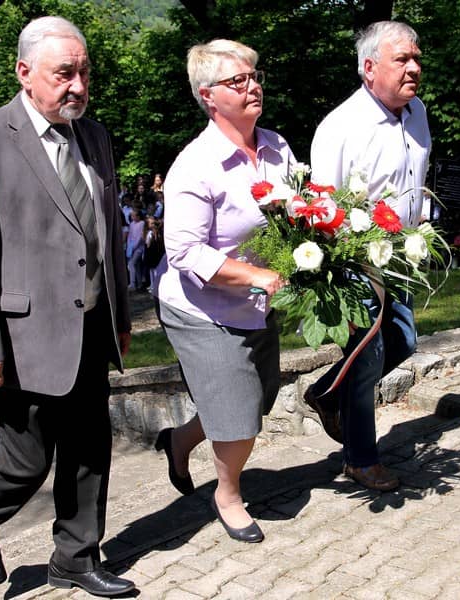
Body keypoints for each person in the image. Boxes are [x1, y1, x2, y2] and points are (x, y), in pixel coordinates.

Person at [0, 16, 135, 597]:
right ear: (25, 73)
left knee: (89, 450)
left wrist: (120, 316)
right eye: (64, 73)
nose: (78, 86)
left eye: (84, 73)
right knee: (26, 459)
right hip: (19, 337)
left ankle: (76, 557)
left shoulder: (94, 137)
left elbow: (106, 233)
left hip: (90, 323)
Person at [155, 39, 289, 543]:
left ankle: (178, 440)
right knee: (239, 418)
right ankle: (228, 496)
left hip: (258, 302)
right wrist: (254, 276)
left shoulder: (277, 148)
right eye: (238, 81)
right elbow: (185, 252)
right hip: (202, 307)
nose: (252, 86)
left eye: (254, 76)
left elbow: (295, 211)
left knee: (257, 398)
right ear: (208, 96)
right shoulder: (195, 165)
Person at [303, 21, 431, 492]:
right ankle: (361, 458)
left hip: (402, 253)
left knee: (405, 342)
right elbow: (322, 200)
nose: (414, 68)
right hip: (355, 259)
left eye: (416, 58)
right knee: (368, 355)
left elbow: (415, 181)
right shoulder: (341, 126)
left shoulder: (417, 113)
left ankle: (326, 393)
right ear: (370, 67)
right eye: (402, 60)